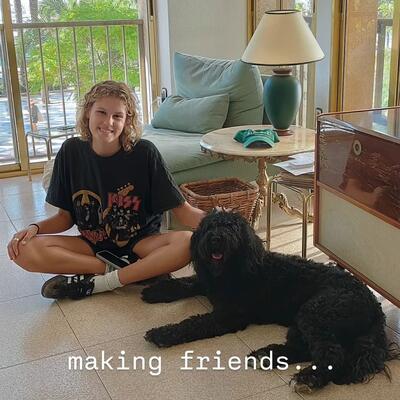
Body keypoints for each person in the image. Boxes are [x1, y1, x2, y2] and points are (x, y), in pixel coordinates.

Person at [7, 80, 206, 300]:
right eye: (101, 112)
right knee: (22, 249)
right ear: (88, 113)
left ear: (127, 120)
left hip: (142, 244)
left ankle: (97, 283)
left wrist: (222, 221)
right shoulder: (70, 152)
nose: (108, 122)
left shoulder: (145, 153)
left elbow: (183, 212)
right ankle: (133, 272)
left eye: (117, 116)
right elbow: (64, 218)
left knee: (187, 242)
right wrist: (34, 228)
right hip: (91, 245)